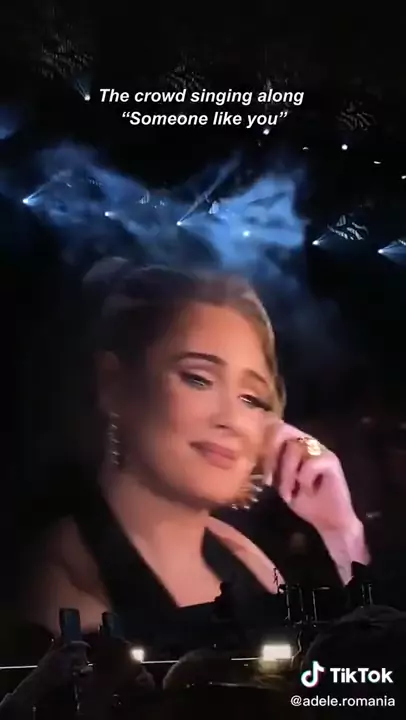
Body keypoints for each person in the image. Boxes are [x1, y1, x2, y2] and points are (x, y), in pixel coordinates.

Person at [22, 263, 370, 638]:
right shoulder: (60, 585)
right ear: (114, 383)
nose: (232, 420)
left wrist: (342, 533)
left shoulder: (244, 557)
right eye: (198, 379)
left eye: (251, 399)